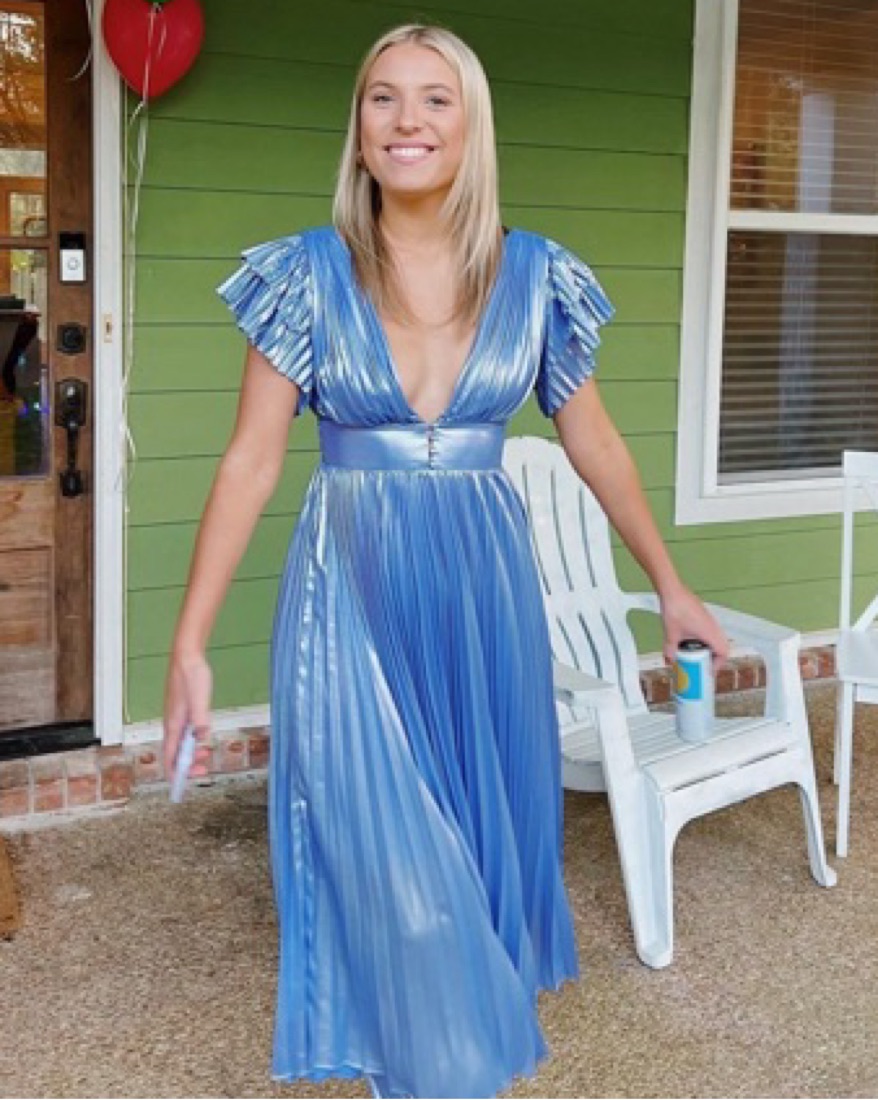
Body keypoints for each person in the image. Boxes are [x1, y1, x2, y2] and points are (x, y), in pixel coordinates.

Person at [163, 23, 728, 1100]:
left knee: (473, 838)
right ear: (358, 128)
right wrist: (189, 642)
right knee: (381, 847)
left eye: (435, 98)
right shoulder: (302, 274)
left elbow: (595, 442)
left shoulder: (537, 275)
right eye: (382, 97)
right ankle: (436, 1073)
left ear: (471, 128)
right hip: (348, 585)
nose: (406, 120)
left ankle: (438, 1070)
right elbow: (250, 460)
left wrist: (669, 583)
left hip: (481, 588)